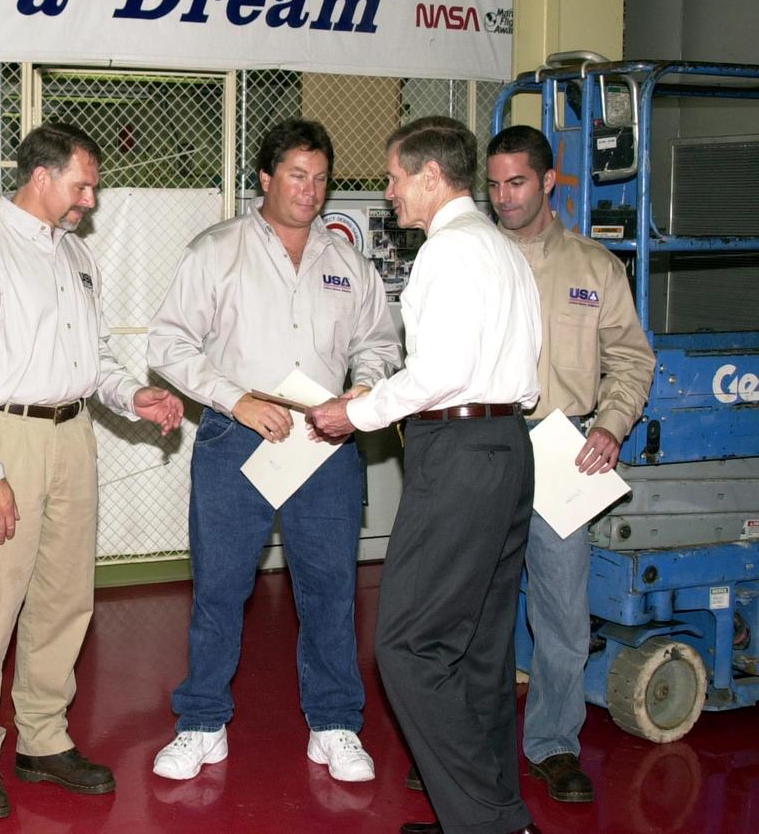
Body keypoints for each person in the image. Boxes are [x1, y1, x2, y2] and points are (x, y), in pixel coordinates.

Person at [0, 122, 184, 820]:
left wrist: (133, 396)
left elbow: (92, 360)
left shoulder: (75, 255)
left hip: (74, 434)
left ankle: (42, 738)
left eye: (92, 186)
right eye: (82, 184)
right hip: (4, 438)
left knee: (66, 597)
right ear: (41, 177)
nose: (90, 200)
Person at [307, 116, 543, 834]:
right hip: (507, 444)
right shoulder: (501, 250)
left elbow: (440, 374)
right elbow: (504, 369)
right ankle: (477, 810)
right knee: (478, 648)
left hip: (460, 456)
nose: (388, 193)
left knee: (407, 646)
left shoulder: (447, 252)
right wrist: (378, 397)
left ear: (431, 177)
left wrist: (361, 414)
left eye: (393, 177)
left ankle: (490, 823)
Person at [145, 119, 401, 782]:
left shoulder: (347, 261)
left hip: (325, 440)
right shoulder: (217, 250)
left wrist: (362, 391)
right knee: (221, 588)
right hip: (238, 435)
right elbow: (170, 345)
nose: (309, 190)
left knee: (330, 588)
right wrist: (237, 400)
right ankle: (203, 724)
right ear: (264, 177)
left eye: (320, 178)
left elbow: (379, 341)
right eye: (296, 175)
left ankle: (335, 724)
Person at [488, 125, 655, 804]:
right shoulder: (472, 260)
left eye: (517, 182)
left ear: (549, 181)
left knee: (563, 611)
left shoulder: (595, 268)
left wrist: (612, 426)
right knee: (475, 609)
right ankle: (467, 747)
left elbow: (633, 360)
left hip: (563, 446)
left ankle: (554, 744)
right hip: (486, 444)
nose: (504, 197)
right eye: (494, 185)